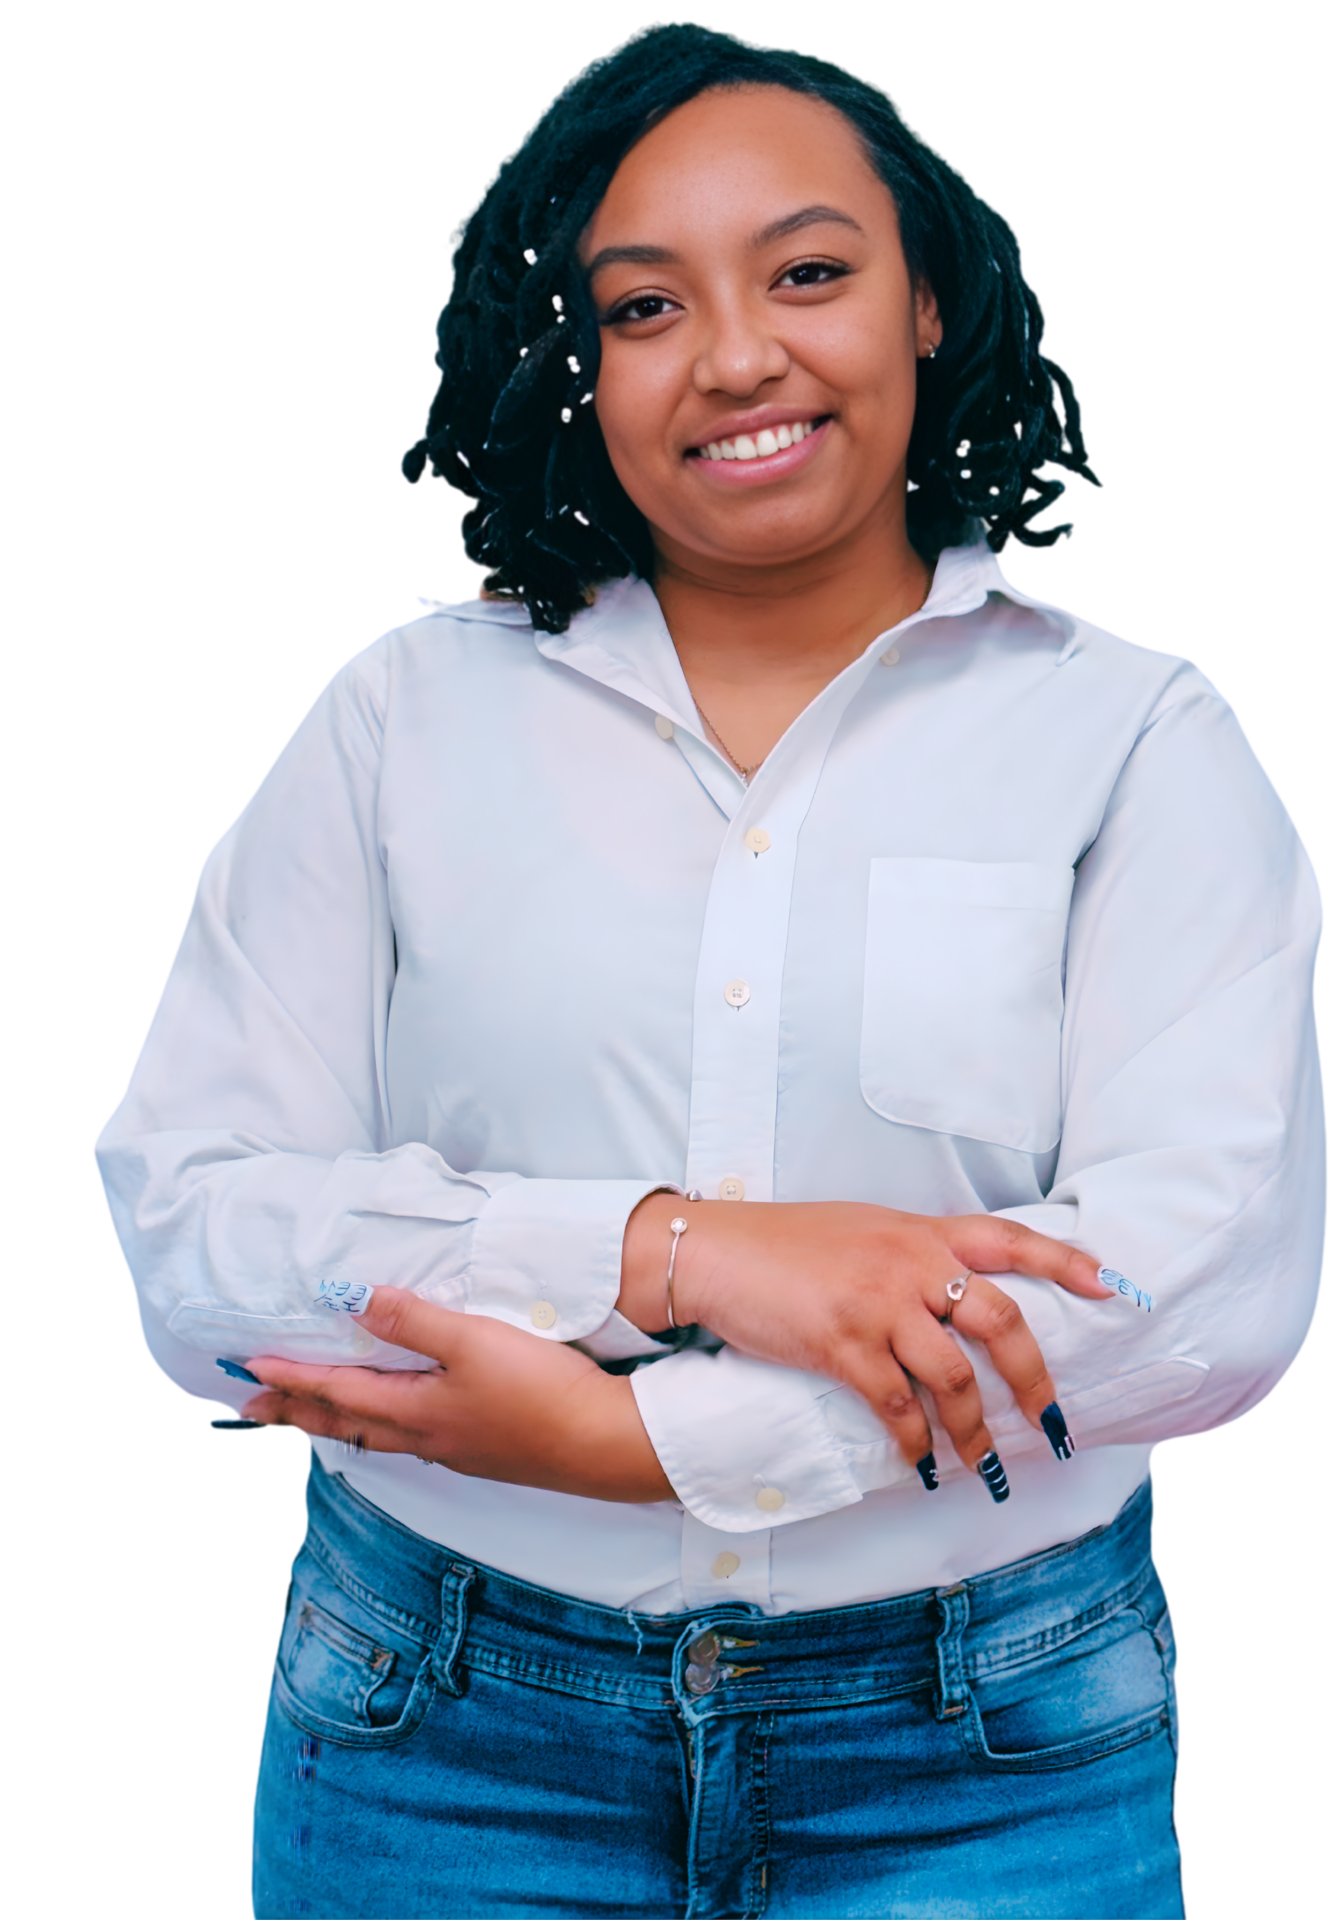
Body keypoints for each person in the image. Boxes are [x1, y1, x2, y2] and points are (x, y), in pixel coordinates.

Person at [91, 22, 1323, 1919]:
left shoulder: (1136, 744)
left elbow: (1202, 1292)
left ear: (930, 301)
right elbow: (194, 1249)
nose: (736, 356)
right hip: (438, 1733)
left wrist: (641, 1437)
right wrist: (670, 1252)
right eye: (643, 305)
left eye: (809, 273)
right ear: (571, 366)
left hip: (984, 1749)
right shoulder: (398, 725)